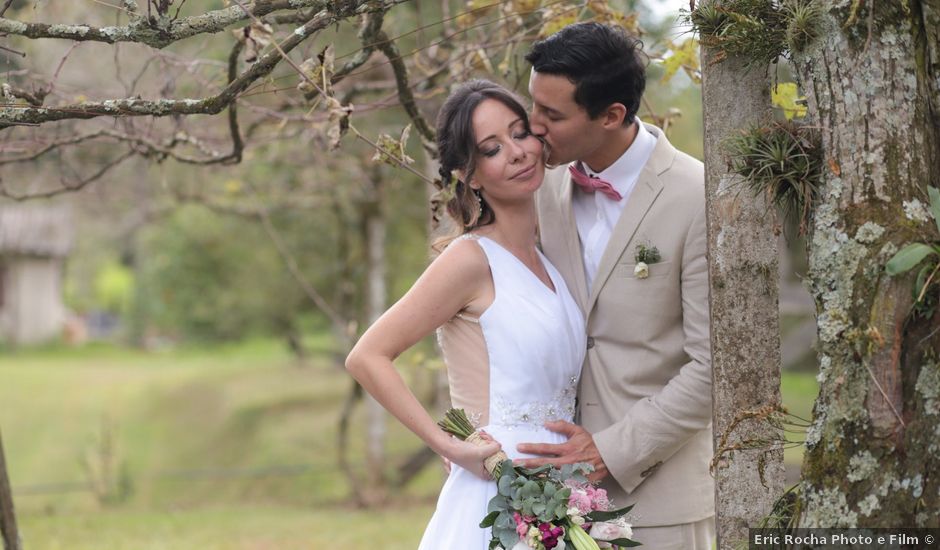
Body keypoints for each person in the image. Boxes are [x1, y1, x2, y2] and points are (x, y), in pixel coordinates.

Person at [345, 79, 586, 550]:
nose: (517, 153)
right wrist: (449, 445)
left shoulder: (554, 259)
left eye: (521, 133)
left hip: (562, 491)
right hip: (495, 491)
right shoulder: (469, 259)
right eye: (493, 148)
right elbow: (367, 356)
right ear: (470, 175)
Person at [515, 22, 716, 549]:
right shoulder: (542, 186)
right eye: (533, 105)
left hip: (660, 498)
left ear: (612, 115)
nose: (532, 128)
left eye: (552, 116)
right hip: (548, 499)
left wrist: (613, 449)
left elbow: (715, 367)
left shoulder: (698, 196)